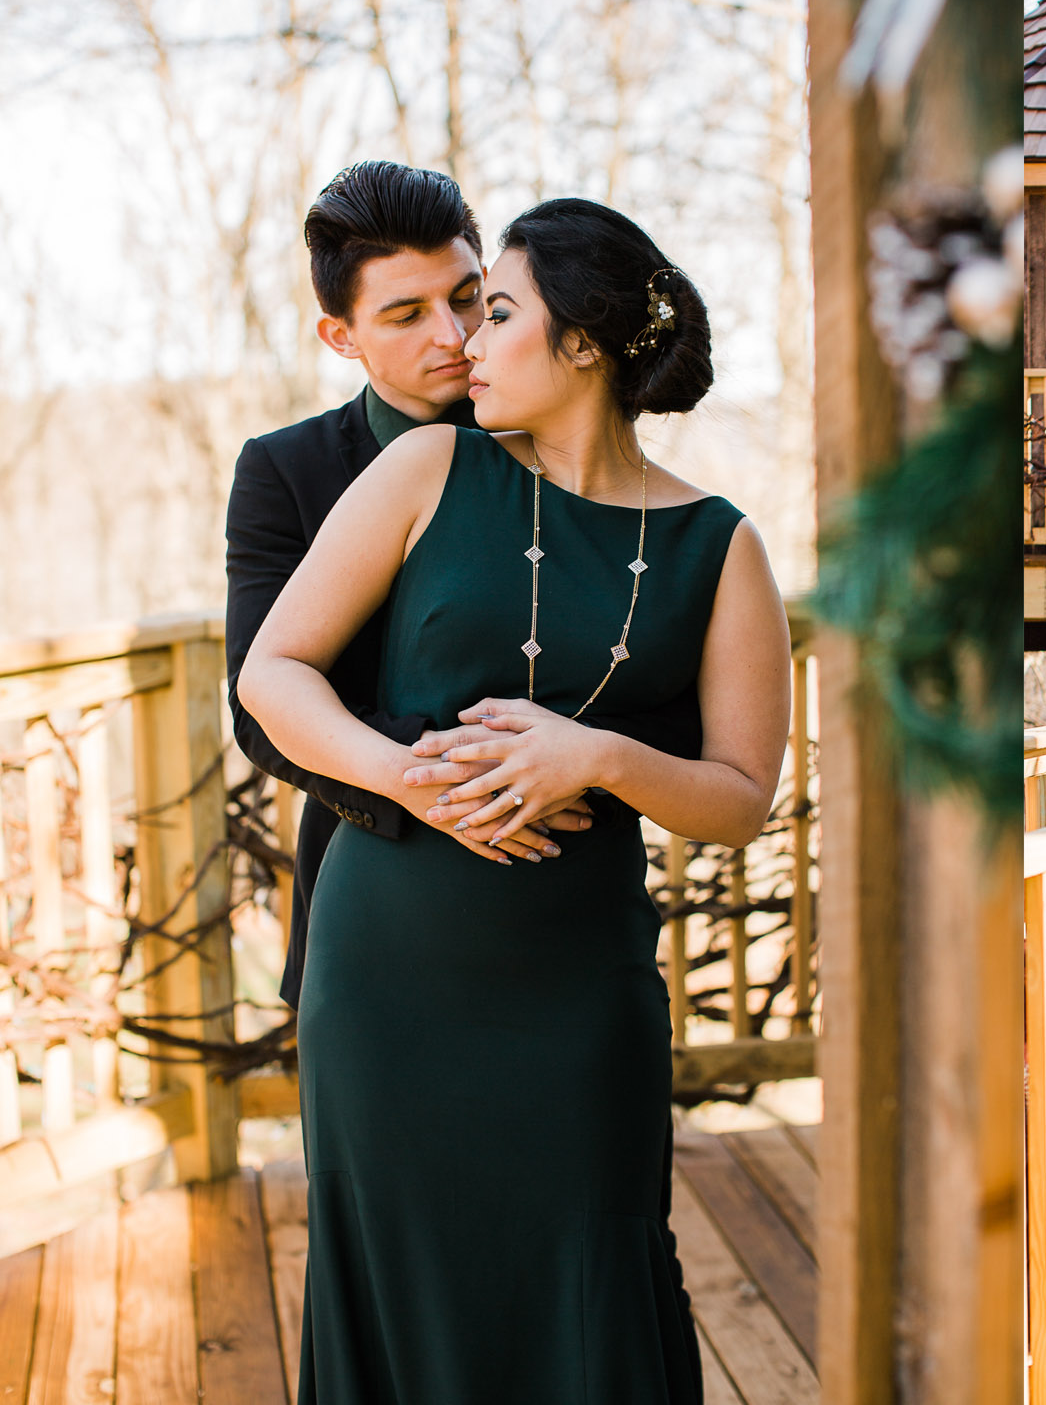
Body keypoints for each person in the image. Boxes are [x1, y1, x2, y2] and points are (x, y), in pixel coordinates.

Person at [239, 198, 790, 1404]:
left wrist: (596, 759)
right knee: (397, 1278)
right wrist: (409, 780)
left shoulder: (720, 546)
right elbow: (271, 675)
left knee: (591, 1268)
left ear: (582, 342)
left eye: (494, 313)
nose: (464, 346)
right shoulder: (428, 466)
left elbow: (742, 796)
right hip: (384, 977)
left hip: (575, 989)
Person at [225, 162, 700, 1009]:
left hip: (568, 901)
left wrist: (580, 760)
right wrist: (454, 781)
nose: (453, 333)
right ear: (343, 337)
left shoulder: (575, 445)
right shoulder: (285, 471)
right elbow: (258, 708)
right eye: (406, 314)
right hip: (376, 894)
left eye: (469, 295)